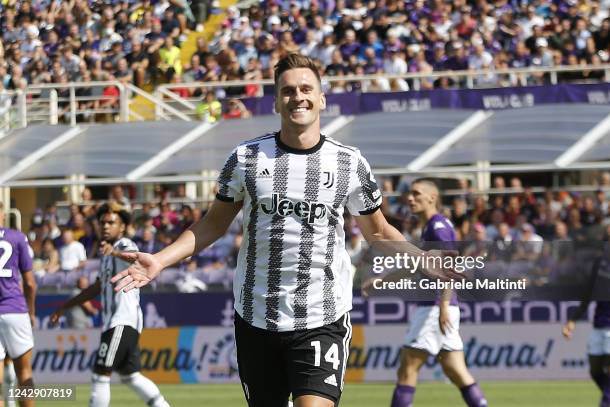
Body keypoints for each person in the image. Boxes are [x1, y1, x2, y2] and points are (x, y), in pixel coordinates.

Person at [111, 54, 462, 407]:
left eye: (307, 89)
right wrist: (159, 259)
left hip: (320, 317)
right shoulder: (246, 158)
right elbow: (212, 224)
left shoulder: (349, 163)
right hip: (256, 318)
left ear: (322, 98)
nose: (299, 97)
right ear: (277, 100)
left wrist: (421, 259)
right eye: (289, 91)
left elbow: (379, 232)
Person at [50, 204, 170, 407]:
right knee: (130, 377)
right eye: (103, 222)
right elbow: (97, 287)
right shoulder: (107, 253)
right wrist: (66, 306)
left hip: (121, 321)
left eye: (111, 222)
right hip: (120, 323)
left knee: (100, 375)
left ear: (122, 227)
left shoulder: (123, 244)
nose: (105, 226)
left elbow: (134, 256)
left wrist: (114, 253)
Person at [391, 180, 488, 407]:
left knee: (407, 369)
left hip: (435, 307)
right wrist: (382, 281)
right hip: (441, 306)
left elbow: (451, 267)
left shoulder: (438, 227)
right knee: (456, 371)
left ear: (432, 198)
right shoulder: (430, 227)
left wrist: (443, 305)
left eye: (416, 194)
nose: (410, 198)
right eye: (409, 194)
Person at [563, 250, 610, 407]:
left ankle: (606, 403)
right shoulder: (600, 264)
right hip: (599, 324)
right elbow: (588, 293)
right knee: (595, 371)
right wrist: (572, 320)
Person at [0, 202, 36, 407]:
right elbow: (30, 283)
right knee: (24, 373)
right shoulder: (17, 237)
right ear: (3, 214)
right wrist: (31, 312)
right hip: (15, 309)